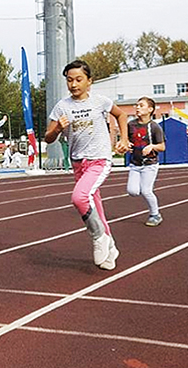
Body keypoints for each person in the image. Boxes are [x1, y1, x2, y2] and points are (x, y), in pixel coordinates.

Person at [44, 59, 129, 271]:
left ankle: (98, 237)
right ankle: (110, 245)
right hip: (78, 163)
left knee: (79, 197)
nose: (74, 84)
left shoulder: (100, 101)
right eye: (69, 80)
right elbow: (48, 138)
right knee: (95, 207)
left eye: (79, 80)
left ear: (89, 81)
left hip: (99, 159)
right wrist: (57, 130)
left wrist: (124, 139)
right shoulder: (62, 107)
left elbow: (121, 115)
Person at [126, 97, 165, 227]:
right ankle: (154, 213)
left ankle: (155, 214)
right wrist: (126, 145)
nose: (137, 107)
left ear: (150, 109)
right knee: (132, 191)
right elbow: (125, 141)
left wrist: (152, 147)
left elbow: (162, 147)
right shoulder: (131, 125)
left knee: (146, 191)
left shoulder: (155, 127)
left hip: (150, 164)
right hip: (134, 164)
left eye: (141, 105)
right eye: (136, 105)